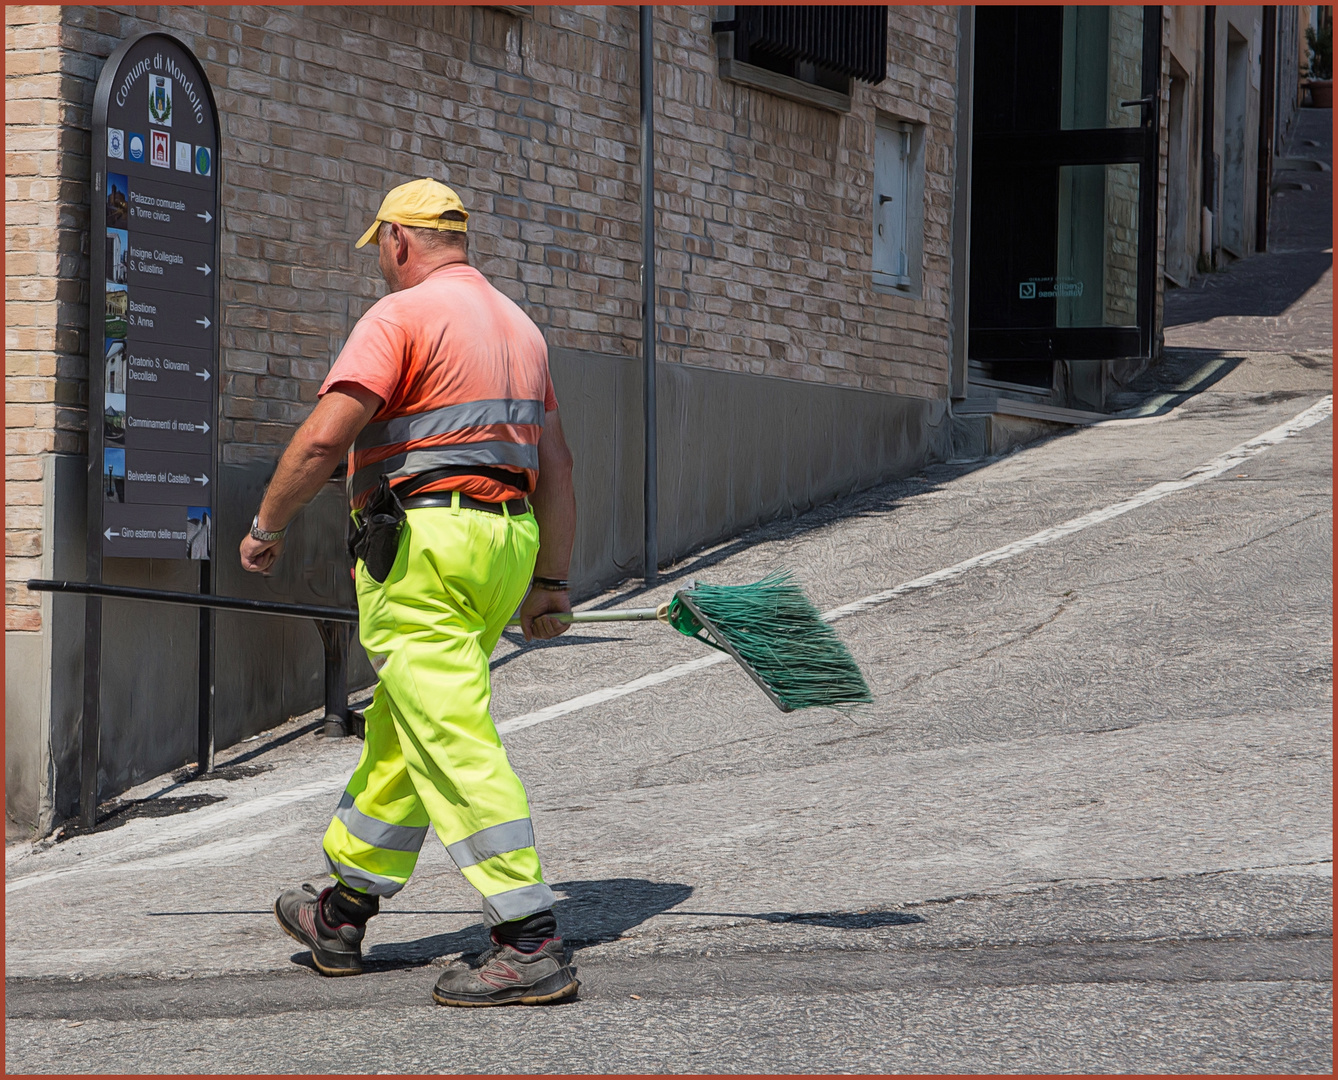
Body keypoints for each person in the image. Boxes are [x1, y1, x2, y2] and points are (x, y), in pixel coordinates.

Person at [239, 178, 579, 1007]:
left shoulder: (401, 316)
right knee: (406, 726)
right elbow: (558, 467)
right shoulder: (520, 327)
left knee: (449, 728)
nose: (383, 266)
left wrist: (267, 525)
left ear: (398, 239)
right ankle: (343, 911)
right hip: (504, 542)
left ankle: (527, 938)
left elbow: (325, 438)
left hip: (426, 543)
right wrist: (550, 583)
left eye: (381, 251)